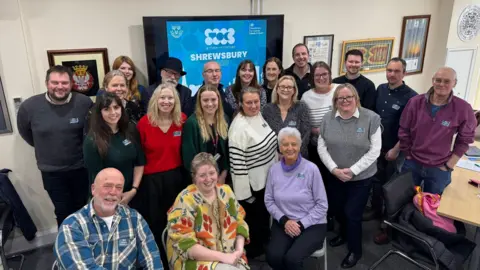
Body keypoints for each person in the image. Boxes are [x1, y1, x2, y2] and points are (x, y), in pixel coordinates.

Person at [17, 65, 92, 227]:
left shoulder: (84, 103)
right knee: (63, 212)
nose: (60, 87)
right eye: (55, 82)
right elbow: (26, 134)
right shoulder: (29, 107)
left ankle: (84, 247)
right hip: (52, 172)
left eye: (64, 83)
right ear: (46, 83)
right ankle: (66, 249)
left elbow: (90, 133)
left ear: (72, 84)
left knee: (83, 210)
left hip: (81, 168)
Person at [317, 83, 381, 268]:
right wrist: (334, 169)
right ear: (335, 101)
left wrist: (352, 171)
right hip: (335, 175)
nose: (345, 101)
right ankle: (343, 235)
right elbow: (322, 146)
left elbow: (374, 151)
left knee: (352, 213)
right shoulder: (328, 118)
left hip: (361, 178)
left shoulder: (371, 118)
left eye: (348, 97)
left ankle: (355, 250)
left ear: (356, 99)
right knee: (337, 209)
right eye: (340, 98)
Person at [54, 168, 162, 269]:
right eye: (107, 186)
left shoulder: (135, 219)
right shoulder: (71, 227)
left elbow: (152, 257)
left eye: (118, 187)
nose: (113, 192)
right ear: (93, 189)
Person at [399, 67, 476, 195]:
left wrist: (449, 165)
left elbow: (465, 140)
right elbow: (404, 130)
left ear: (454, 83)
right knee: (403, 200)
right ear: (433, 81)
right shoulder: (415, 102)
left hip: (439, 168)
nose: (441, 84)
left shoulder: (463, 108)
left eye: (446, 81)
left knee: (433, 208)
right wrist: (407, 154)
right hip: (412, 163)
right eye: (438, 80)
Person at [167, 153, 249, 270]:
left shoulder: (226, 191)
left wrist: (239, 250)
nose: (208, 179)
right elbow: (186, 245)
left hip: (230, 253)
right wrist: (224, 258)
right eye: (202, 175)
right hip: (195, 260)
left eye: (212, 173)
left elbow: (240, 222)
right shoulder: (185, 199)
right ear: (194, 177)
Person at [136, 83, 187, 268]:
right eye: (162, 98)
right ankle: (159, 262)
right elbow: (138, 156)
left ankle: (179, 259)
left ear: (176, 101)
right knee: (156, 224)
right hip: (152, 181)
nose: (166, 101)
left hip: (176, 179)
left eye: (170, 98)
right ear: (155, 100)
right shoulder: (144, 123)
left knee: (177, 222)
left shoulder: (181, 120)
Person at [265, 127, 328, 270]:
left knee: (292, 259)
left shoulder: (312, 169)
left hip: (312, 224)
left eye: (294, 144)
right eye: (285, 144)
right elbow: (269, 200)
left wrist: (300, 224)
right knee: (273, 256)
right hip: (284, 222)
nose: (290, 148)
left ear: (300, 146)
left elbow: (322, 205)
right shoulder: (274, 170)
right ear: (280, 147)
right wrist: (285, 221)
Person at [369, 58, 417, 244]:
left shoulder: (412, 97)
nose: (392, 74)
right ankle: (375, 211)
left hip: (395, 150)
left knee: (391, 189)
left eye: (396, 71)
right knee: (376, 181)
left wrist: (396, 149)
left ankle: (387, 226)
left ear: (404, 73)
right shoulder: (380, 89)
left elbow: (411, 129)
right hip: (376, 147)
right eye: (389, 70)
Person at [229, 87, 278, 258]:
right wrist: (245, 196)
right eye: (248, 102)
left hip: (267, 180)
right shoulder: (238, 128)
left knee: (264, 220)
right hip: (253, 188)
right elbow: (237, 166)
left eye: (256, 101)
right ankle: (256, 253)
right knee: (256, 224)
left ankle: (266, 245)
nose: (253, 105)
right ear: (241, 104)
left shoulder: (258, 116)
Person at [83, 92, 146, 206]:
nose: (113, 113)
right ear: (99, 112)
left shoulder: (130, 130)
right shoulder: (92, 141)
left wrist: (133, 190)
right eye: (107, 109)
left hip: (132, 194)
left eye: (116, 107)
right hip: (107, 198)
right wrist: (116, 197)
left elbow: (139, 163)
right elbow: (97, 179)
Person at [301, 61, 339, 230]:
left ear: (330, 75)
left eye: (325, 74)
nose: (321, 78)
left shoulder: (339, 90)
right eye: (317, 75)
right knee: (318, 185)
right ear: (312, 78)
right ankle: (322, 218)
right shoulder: (306, 96)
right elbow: (304, 123)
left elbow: (350, 115)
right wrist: (319, 131)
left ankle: (334, 217)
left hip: (338, 149)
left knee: (335, 185)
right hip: (315, 148)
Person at [182, 84, 230, 184]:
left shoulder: (224, 119)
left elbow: (227, 151)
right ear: (199, 102)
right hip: (201, 179)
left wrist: (223, 175)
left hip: (221, 176)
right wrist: (206, 179)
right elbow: (189, 158)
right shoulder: (192, 123)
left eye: (213, 99)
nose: (210, 103)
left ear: (218, 100)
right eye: (205, 100)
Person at [263, 75, 311, 158]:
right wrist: (276, 155)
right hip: (273, 158)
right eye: (282, 87)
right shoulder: (267, 109)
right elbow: (263, 135)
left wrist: (292, 155)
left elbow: (306, 135)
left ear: (294, 90)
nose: (285, 90)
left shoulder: (301, 107)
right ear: (277, 89)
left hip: (298, 157)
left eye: (289, 87)